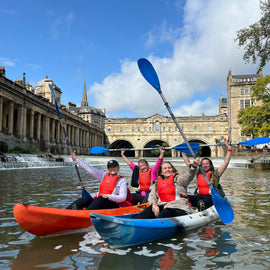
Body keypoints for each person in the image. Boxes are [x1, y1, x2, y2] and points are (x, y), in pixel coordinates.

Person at [134, 157, 200, 219]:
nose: (167, 170)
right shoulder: (157, 183)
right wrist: (154, 204)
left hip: (179, 207)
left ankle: (157, 225)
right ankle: (136, 222)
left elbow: (188, 176)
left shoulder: (178, 179)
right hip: (164, 206)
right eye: (165, 168)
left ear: (172, 169)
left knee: (166, 212)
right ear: (161, 171)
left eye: (169, 168)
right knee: (149, 210)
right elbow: (151, 196)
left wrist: (193, 167)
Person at [182, 141, 232, 211]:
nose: (205, 165)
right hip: (199, 196)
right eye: (203, 164)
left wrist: (229, 149)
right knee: (184, 197)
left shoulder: (215, 173)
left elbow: (226, 162)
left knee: (205, 201)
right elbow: (187, 163)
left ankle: (202, 207)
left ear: (210, 165)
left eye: (207, 164)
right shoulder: (197, 172)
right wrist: (183, 151)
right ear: (201, 165)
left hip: (211, 197)